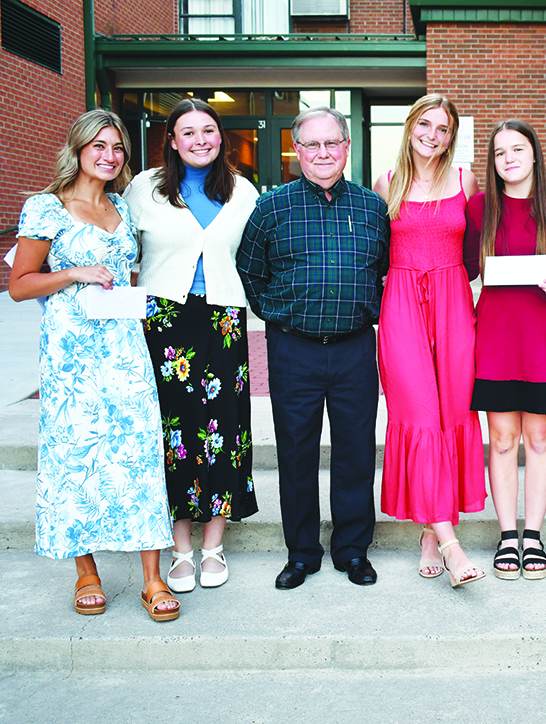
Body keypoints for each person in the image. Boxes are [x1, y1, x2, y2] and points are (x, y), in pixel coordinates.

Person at [9, 110, 179, 621]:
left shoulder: (122, 209)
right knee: (74, 455)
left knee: (138, 450)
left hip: (124, 346)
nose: (109, 157)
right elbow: (19, 284)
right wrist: (74, 273)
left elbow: (124, 273)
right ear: (79, 150)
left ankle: (152, 578)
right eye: (99, 146)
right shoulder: (46, 207)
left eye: (118, 148)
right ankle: (86, 571)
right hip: (71, 355)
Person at [237, 106, 390, 589]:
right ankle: (301, 553)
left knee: (356, 453)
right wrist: (278, 315)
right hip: (293, 350)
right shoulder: (272, 207)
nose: (323, 153)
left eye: (332, 143)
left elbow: (385, 269)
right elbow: (250, 271)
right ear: (297, 150)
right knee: (296, 454)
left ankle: (352, 550)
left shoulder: (371, 208)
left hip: (354, 349)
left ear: (347, 147)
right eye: (312, 144)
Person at [124, 98, 260, 594]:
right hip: (164, 321)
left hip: (223, 317)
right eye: (188, 132)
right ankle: (181, 550)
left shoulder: (243, 191)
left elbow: (256, 254)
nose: (199, 139)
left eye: (208, 130)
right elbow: (120, 249)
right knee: (173, 432)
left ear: (220, 137)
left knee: (224, 428)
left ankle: (213, 546)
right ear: (173, 141)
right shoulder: (144, 190)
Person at [372, 94, 486, 588]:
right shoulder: (386, 184)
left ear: (451, 136)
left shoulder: (465, 181)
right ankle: (451, 543)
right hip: (401, 304)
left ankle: (429, 531)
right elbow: (376, 253)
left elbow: (479, 252)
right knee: (418, 415)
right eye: (425, 124)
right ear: (410, 126)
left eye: (443, 128)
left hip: (454, 303)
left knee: (452, 413)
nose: (433, 135)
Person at [463, 120, 546, 580]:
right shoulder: (479, 209)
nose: (509, 158)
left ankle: (533, 534)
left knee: (538, 440)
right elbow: (466, 266)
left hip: (542, 337)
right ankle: (507, 535)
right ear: (492, 163)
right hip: (495, 336)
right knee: (502, 441)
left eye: (517, 149)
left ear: (534, 154)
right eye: (499, 153)